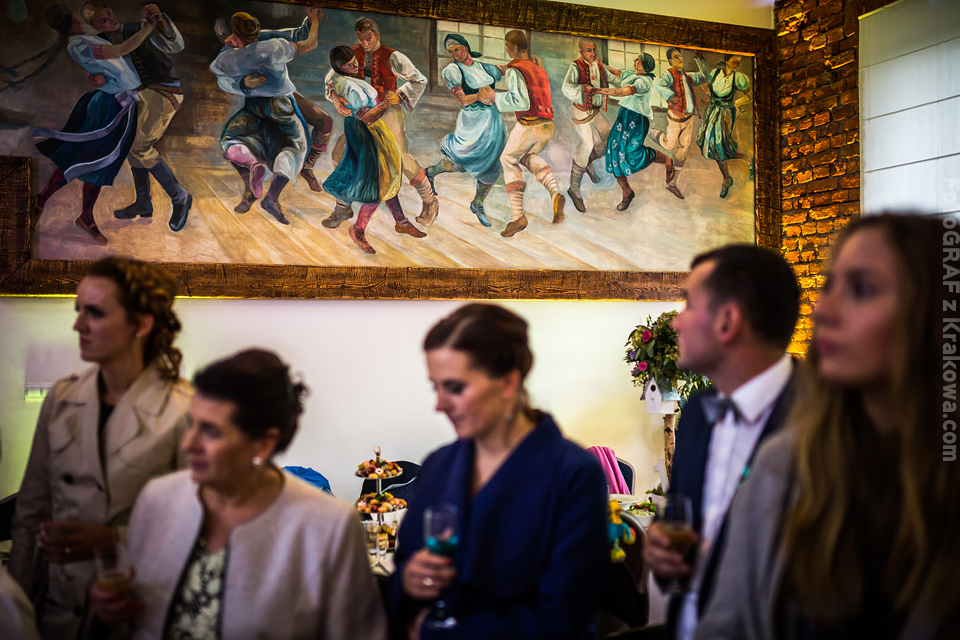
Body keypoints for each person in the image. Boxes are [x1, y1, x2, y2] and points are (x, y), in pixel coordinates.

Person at [696, 214, 960, 639]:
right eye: (829, 286)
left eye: (862, 289)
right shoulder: (783, 467)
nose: (822, 310)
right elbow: (725, 627)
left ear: (935, 315)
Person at [90, 349, 388, 640]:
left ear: (263, 444)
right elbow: (131, 611)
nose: (189, 444)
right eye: (191, 424)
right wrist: (110, 610)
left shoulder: (327, 527)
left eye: (211, 431)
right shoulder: (158, 499)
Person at [385, 303, 608, 639]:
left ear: (508, 382)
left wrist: (438, 636)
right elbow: (402, 568)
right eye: (436, 387)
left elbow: (563, 617)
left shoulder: (573, 474)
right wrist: (407, 580)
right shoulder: (438, 465)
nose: (440, 405)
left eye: (455, 388)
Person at [10, 256, 191, 640]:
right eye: (78, 310)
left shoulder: (184, 410)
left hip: (137, 612)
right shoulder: (62, 397)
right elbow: (31, 513)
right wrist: (17, 612)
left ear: (141, 324)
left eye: (94, 313)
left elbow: (194, 527)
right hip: (57, 614)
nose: (77, 325)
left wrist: (112, 539)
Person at [644, 244, 802, 640]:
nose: (676, 322)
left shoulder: (824, 420)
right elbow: (683, 517)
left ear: (727, 322)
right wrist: (662, 550)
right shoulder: (698, 411)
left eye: (687, 304)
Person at [31, 5, 157, 244]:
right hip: (107, 107)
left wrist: (101, 77)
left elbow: (111, 65)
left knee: (99, 164)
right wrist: (149, 27)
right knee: (83, 159)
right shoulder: (79, 45)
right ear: (74, 19)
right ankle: (42, 200)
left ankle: (85, 215)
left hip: (120, 106)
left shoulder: (86, 41)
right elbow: (121, 49)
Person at [81, 1, 192, 232]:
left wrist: (160, 21)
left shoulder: (138, 29)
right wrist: (96, 79)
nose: (111, 20)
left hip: (164, 90)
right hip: (137, 96)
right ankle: (143, 201)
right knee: (130, 144)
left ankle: (179, 196)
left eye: (110, 14)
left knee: (140, 145)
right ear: (95, 26)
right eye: (103, 20)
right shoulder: (99, 44)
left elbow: (176, 45)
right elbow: (103, 75)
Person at [209, 9, 319, 224]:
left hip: (254, 106)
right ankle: (270, 197)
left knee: (233, 138)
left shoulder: (228, 57)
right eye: (229, 41)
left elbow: (219, 76)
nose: (232, 44)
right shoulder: (272, 47)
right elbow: (308, 43)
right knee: (293, 147)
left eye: (234, 39)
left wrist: (242, 84)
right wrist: (314, 20)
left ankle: (253, 171)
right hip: (279, 105)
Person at [325, 18, 438, 224]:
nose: (364, 43)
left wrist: (400, 95)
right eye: (360, 39)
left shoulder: (393, 56)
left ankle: (430, 201)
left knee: (400, 159)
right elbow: (330, 80)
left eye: (368, 39)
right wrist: (335, 98)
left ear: (377, 35)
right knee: (340, 154)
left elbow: (419, 80)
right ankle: (343, 207)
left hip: (388, 110)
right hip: (362, 114)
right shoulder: (351, 55)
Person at [322, 45, 426, 255]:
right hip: (364, 130)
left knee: (389, 172)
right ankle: (358, 228)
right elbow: (367, 117)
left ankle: (401, 221)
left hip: (373, 128)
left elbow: (331, 82)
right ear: (339, 68)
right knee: (377, 180)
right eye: (349, 65)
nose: (354, 66)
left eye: (354, 62)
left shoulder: (343, 76)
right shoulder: (347, 86)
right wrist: (388, 102)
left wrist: (334, 95)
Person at [420, 34, 507, 228]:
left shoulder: (485, 67)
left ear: (465, 48)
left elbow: (505, 68)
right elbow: (462, 100)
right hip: (472, 122)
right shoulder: (453, 70)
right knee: (460, 161)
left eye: (456, 49)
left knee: (491, 164)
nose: (454, 54)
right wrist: (479, 96)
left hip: (493, 123)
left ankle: (478, 203)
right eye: (450, 52)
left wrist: (523, 64)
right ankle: (430, 172)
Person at [496, 30, 565, 237]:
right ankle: (555, 193)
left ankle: (518, 216)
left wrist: (494, 97)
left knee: (508, 159)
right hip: (547, 125)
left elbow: (521, 102)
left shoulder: (515, 70)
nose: (506, 49)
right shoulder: (537, 67)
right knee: (527, 156)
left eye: (507, 45)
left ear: (514, 47)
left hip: (529, 124)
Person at [590, 53, 675, 211]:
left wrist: (598, 90)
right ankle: (627, 192)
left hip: (637, 121)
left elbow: (623, 92)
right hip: (624, 116)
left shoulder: (645, 82)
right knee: (615, 153)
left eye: (638, 60)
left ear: (645, 65)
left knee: (632, 153)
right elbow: (617, 72)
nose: (634, 61)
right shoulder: (633, 75)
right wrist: (599, 63)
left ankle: (667, 160)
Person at [560, 38, 617, 213]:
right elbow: (566, 87)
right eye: (588, 50)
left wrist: (631, 82)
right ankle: (574, 189)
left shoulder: (599, 65)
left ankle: (587, 163)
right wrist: (582, 89)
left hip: (595, 111)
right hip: (580, 112)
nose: (593, 53)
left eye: (594, 49)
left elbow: (614, 78)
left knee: (608, 138)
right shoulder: (576, 66)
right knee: (586, 144)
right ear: (581, 52)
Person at [649, 48, 709, 200]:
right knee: (669, 145)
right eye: (676, 57)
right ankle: (653, 133)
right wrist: (671, 96)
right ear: (670, 61)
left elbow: (704, 77)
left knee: (683, 151)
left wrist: (700, 60)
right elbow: (659, 85)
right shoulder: (669, 75)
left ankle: (672, 183)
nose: (680, 59)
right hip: (675, 118)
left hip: (689, 119)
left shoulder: (688, 76)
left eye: (680, 56)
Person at [696, 54, 751, 199]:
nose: (737, 64)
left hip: (725, 113)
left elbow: (748, 96)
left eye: (738, 62)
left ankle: (730, 176)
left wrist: (736, 104)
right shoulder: (715, 74)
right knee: (711, 144)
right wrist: (710, 98)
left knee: (720, 144)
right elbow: (708, 88)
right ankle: (729, 175)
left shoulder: (738, 78)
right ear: (727, 60)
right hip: (712, 111)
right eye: (734, 60)